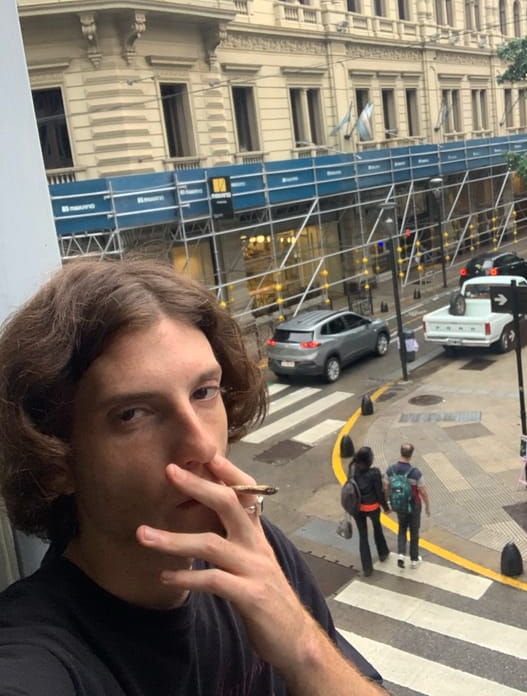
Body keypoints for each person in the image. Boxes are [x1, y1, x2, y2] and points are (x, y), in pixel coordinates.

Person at [0, 258, 386, 695]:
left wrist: (304, 647)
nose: (202, 446)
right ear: (55, 463)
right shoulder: (38, 654)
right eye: (132, 415)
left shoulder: (255, 554)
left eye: (204, 392)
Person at [385, 443, 431, 569]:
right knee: (414, 531)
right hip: (414, 505)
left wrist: (388, 502)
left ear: (401, 452)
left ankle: (401, 555)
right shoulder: (415, 473)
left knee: (402, 528)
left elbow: (386, 487)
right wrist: (427, 506)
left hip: (400, 505)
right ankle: (414, 559)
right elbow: (423, 492)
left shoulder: (391, 470)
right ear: (411, 455)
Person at [348, 447, 390, 577]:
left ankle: (367, 567)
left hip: (357, 508)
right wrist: (386, 507)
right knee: (377, 528)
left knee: (363, 536)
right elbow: (379, 494)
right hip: (372, 507)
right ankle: (383, 552)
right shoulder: (374, 473)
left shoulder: (352, 469)